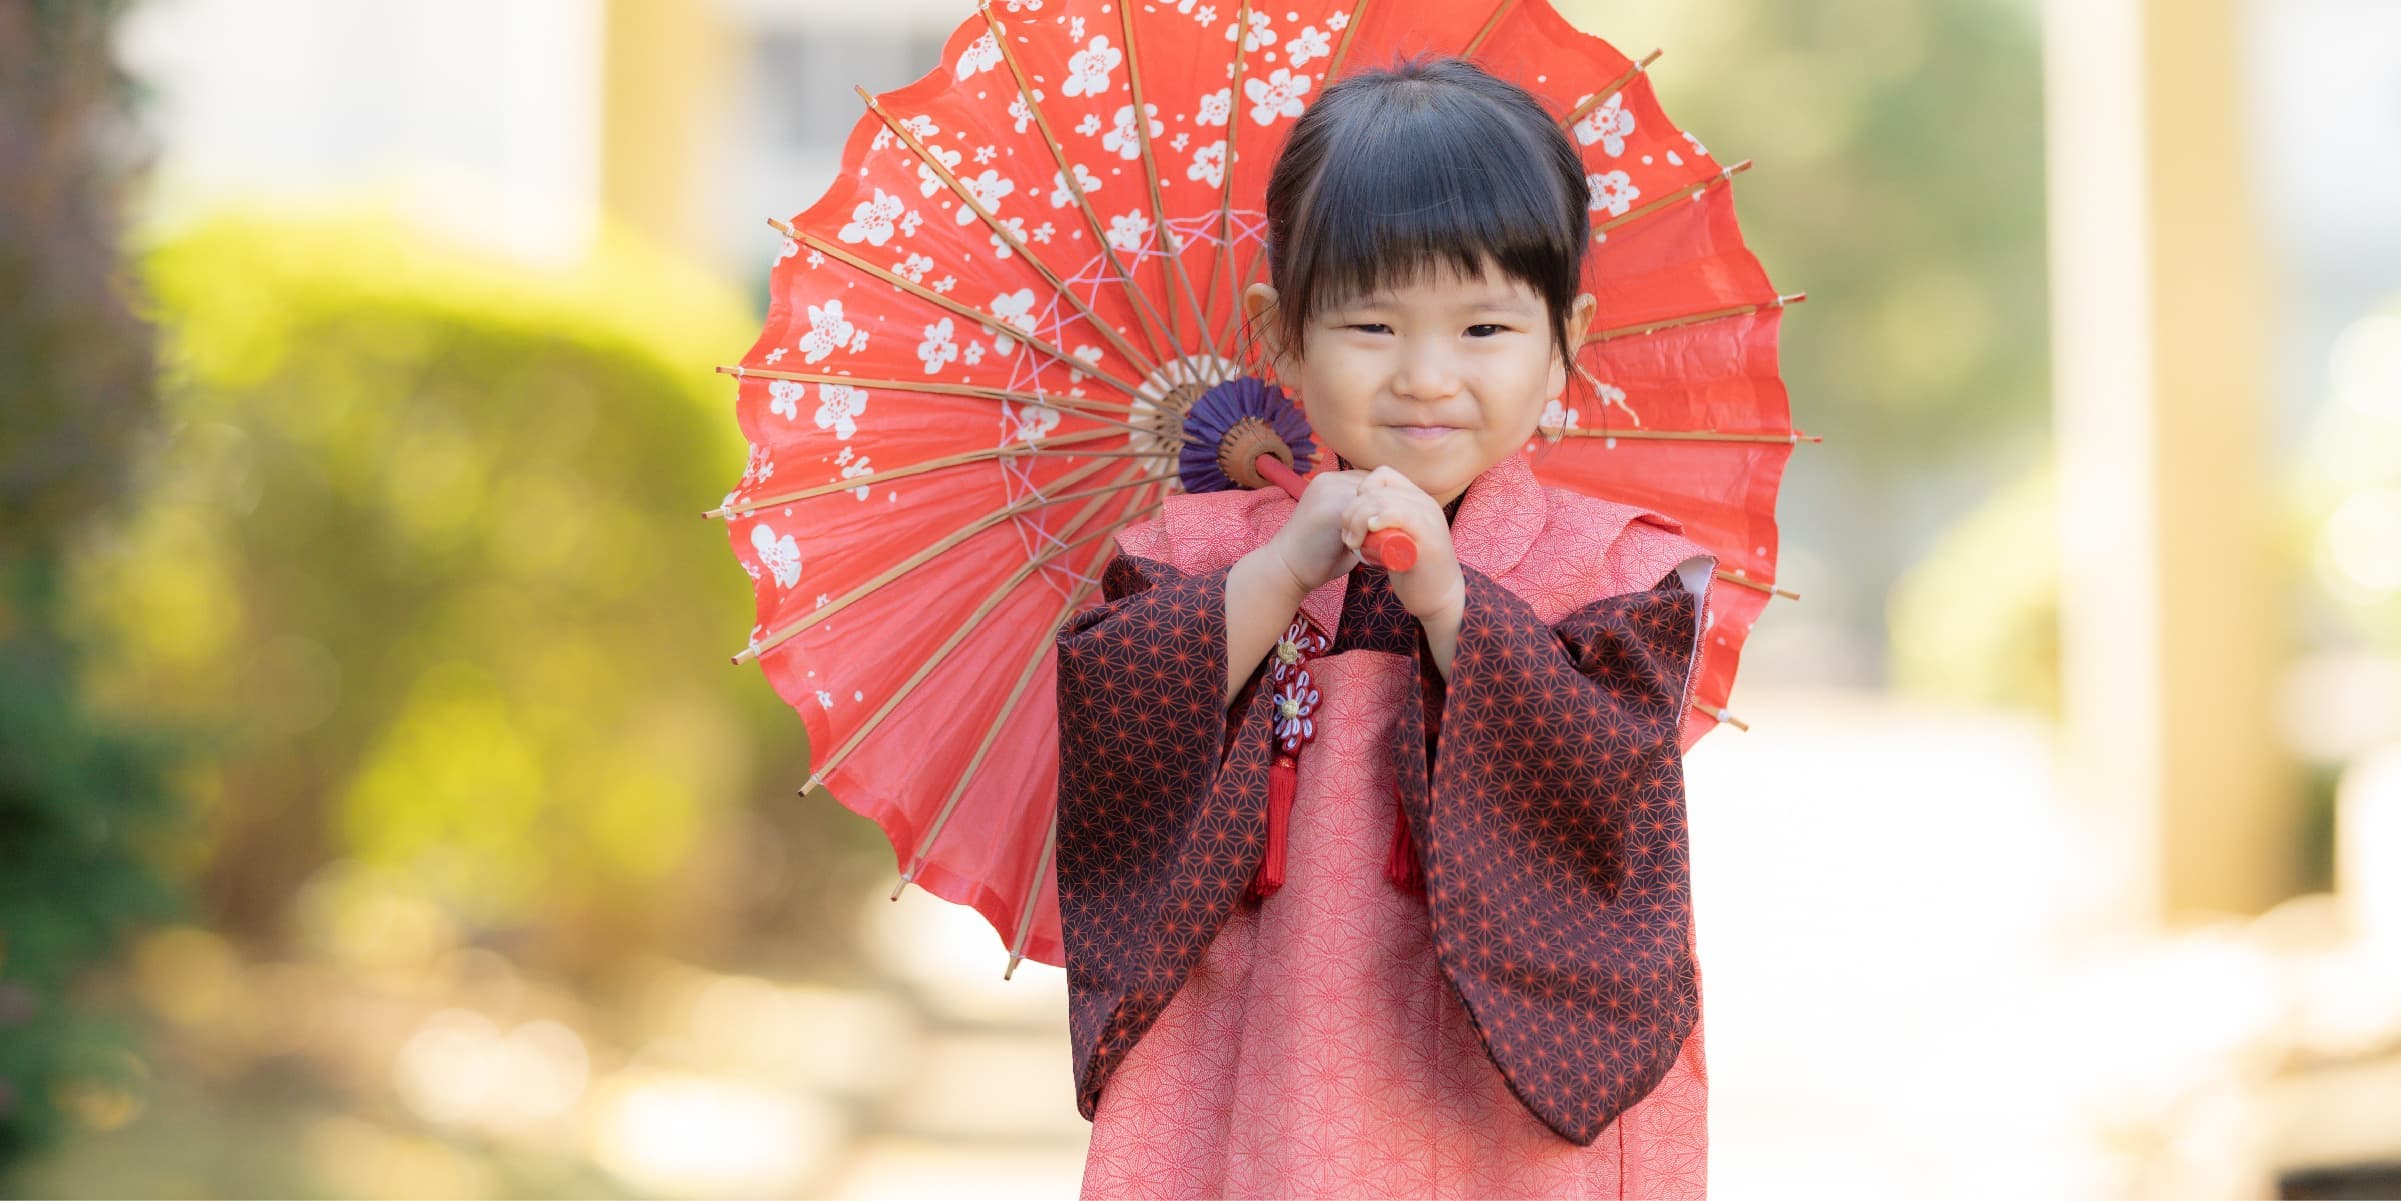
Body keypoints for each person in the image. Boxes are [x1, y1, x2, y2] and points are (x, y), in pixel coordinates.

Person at [1054, 54, 1719, 1199]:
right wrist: (1276, 572)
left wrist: (1453, 600)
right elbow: (1113, 732)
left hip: (1515, 1052)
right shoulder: (1199, 553)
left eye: (1482, 329)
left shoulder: (1609, 570)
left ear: (1567, 336)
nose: (1424, 378)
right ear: (1279, 332)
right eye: (1369, 322)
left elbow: (1611, 781)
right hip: (1261, 1043)